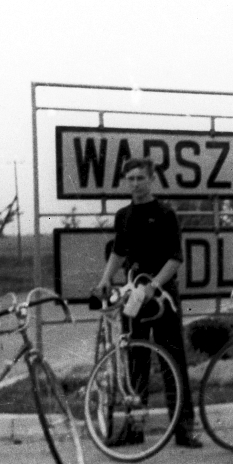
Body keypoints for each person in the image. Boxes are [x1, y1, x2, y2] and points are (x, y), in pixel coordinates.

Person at [92, 158, 202, 448]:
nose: (135, 183)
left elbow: (175, 258)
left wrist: (155, 285)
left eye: (140, 177)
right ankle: (134, 429)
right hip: (133, 296)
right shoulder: (123, 215)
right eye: (130, 178)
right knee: (135, 363)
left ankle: (183, 430)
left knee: (172, 361)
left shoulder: (165, 213)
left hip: (162, 297)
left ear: (151, 179)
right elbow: (118, 251)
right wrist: (105, 279)